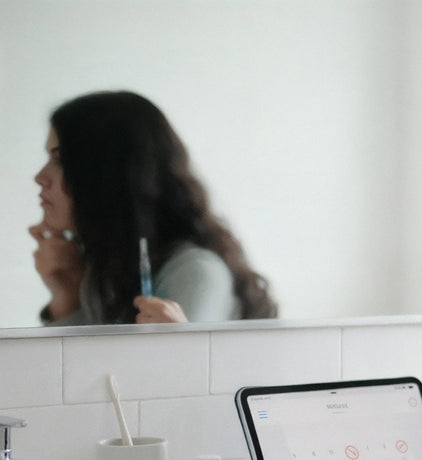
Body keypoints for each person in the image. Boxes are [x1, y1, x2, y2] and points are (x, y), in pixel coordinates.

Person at [29, 90, 277, 326]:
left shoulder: (195, 271)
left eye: (60, 160)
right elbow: (72, 368)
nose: (40, 177)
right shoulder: (104, 269)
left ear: (107, 174)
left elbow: (154, 369)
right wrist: (67, 295)